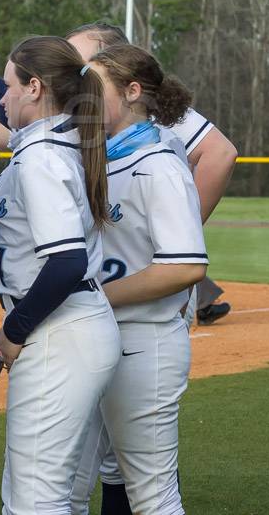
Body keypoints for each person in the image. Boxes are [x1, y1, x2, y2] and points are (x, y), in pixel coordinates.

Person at [66, 43, 208, 515]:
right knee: (66, 487)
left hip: (144, 341)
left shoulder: (159, 164)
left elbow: (185, 267)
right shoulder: (98, 155)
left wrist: (94, 296)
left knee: (151, 495)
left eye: (94, 90)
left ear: (132, 92)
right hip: (96, 337)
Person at [0, 35, 121, 515]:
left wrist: (14, 331)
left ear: (35, 88)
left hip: (60, 331)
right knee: (64, 496)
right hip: (78, 326)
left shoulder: (42, 154)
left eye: (9, 86)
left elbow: (65, 263)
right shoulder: (61, 139)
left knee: (33, 500)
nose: (3, 98)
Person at [65, 21, 238, 325]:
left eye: (79, 59)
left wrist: (181, 226)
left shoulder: (146, 107)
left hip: (146, 309)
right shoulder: (88, 108)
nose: (73, 71)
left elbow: (220, 153)